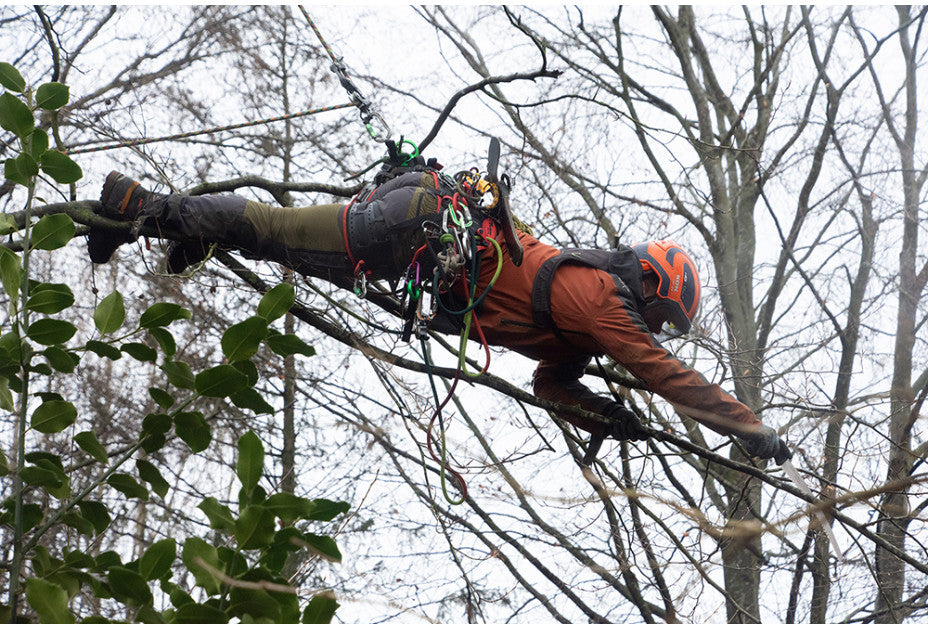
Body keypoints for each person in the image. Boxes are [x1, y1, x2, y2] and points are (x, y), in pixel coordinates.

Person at [87, 160, 790, 462]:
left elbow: (550, 385)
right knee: (275, 228)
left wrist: (608, 417)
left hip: (416, 236)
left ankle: (192, 226)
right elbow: (654, 364)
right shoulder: (601, 297)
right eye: (659, 318)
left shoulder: (577, 329)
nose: (651, 333)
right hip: (414, 226)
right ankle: (137, 206)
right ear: (649, 285)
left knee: (284, 243)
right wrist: (744, 425)